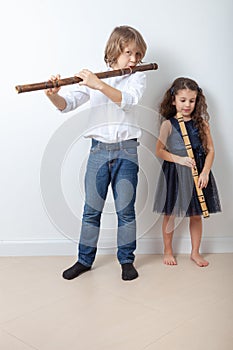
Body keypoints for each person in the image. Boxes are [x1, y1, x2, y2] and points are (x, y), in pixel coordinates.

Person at [45, 25, 147, 280]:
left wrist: (98, 84)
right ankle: (84, 260)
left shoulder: (137, 76)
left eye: (138, 54)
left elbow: (127, 100)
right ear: (114, 50)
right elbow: (67, 105)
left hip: (127, 151)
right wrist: (52, 95)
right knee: (92, 209)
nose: (134, 59)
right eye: (128, 53)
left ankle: (126, 260)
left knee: (126, 210)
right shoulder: (93, 76)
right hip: (98, 151)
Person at [153, 77, 221, 267]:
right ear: (174, 100)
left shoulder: (202, 124)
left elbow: (211, 150)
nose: (187, 105)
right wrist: (180, 159)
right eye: (183, 100)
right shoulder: (168, 124)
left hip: (198, 173)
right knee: (170, 214)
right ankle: (168, 250)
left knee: (196, 214)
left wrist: (206, 171)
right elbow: (159, 150)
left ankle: (195, 252)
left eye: (192, 100)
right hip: (175, 173)